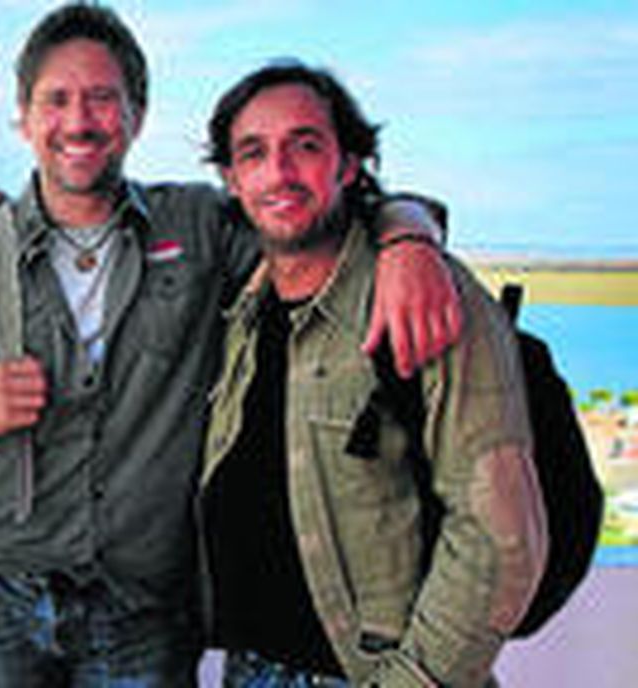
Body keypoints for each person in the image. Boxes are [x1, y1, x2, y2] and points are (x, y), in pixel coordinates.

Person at [0, 3, 459, 686]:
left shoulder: (196, 227)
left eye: (102, 99)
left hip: (142, 607)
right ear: (22, 116)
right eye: (56, 100)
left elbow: (308, 211)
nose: (79, 121)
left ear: (136, 115)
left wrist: (407, 233)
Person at [198, 61, 547, 687]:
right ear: (232, 179)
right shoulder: (241, 309)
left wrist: (413, 681)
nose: (278, 172)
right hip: (249, 671)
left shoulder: (428, 301)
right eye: (254, 153)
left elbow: (500, 538)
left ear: (349, 164)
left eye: (305, 146)